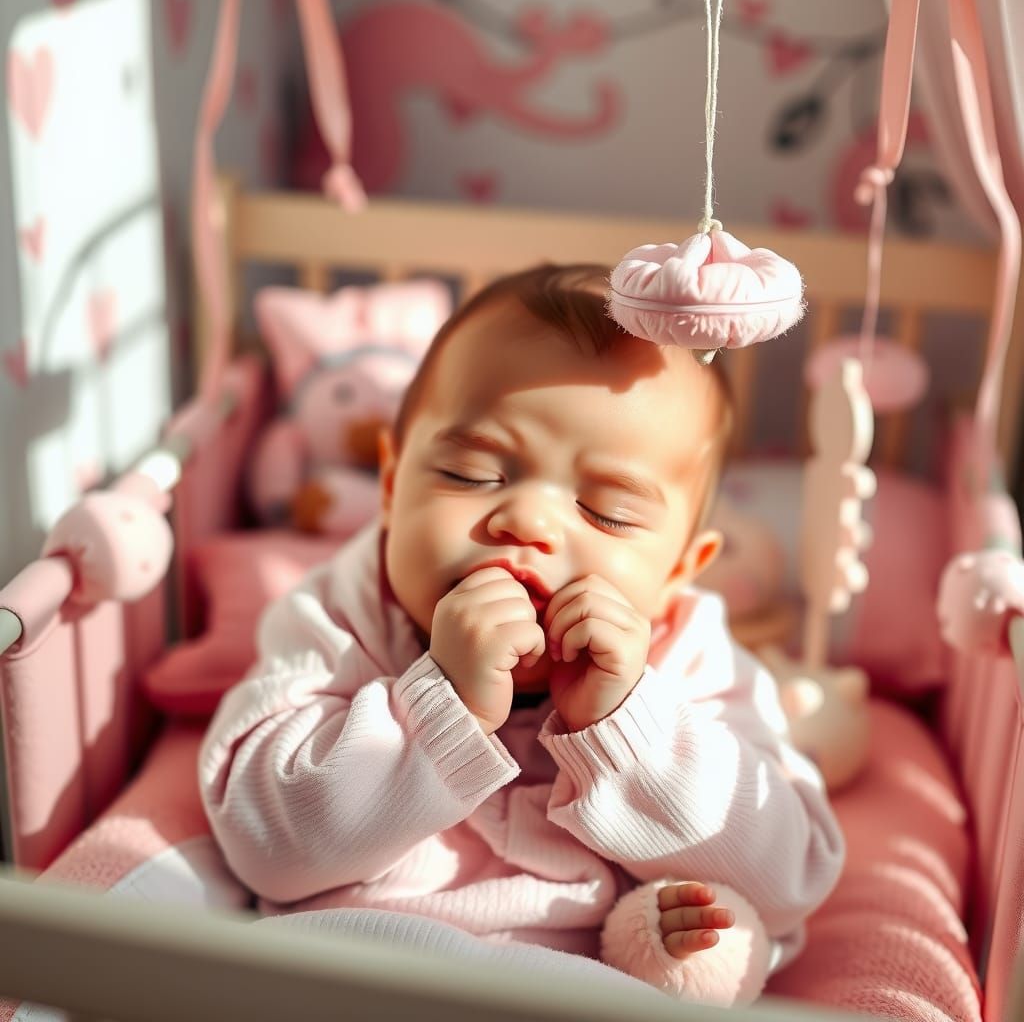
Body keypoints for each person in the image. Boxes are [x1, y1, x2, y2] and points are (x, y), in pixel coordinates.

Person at [199, 264, 844, 1006]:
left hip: (574, 988)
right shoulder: (341, 614)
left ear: (678, 571)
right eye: (473, 474)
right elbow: (261, 840)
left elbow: (790, 879)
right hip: (349, 963)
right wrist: (441, 706)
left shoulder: (690, 653)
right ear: (391, 481)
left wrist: (626, 726)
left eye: (607, 514)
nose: (529, 523)